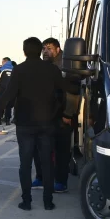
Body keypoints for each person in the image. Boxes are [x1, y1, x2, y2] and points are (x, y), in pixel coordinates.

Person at [0, 37, 64, 211]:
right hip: (47, 123)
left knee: (25, 164)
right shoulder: (52, 69)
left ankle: (26, 201)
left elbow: (9, 94)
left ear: (24, 51)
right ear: (40, 50)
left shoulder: (19, 70)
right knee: (47, 162)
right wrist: (56, 114)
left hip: (25, 124)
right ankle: (48, 201)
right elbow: (62, 94)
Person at [33, 37, 76, 193]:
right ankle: (41, 177)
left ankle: (60, 181)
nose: (45, 51)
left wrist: (68, 113)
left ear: (58, 49)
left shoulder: (66, 65)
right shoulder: (43, 66)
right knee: (39, 147)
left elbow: (72, 91)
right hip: (45, 115)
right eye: (44, 48)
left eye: (49, 48)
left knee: (61, 149)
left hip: (61, 115)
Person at [0, 57, 14, 126]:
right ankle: (7, 121)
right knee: (8, 106)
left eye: (2, 62)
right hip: (10, 90)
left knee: (0, 105)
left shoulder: (2, 69)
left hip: (2, 90)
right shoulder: (13, 69)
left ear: (5, 62)